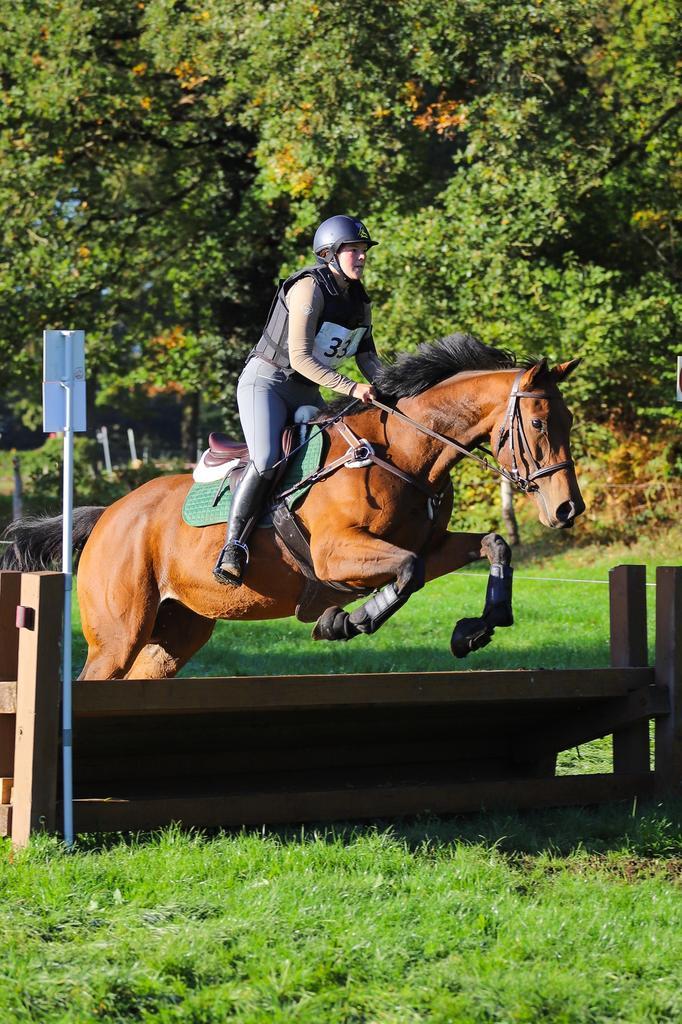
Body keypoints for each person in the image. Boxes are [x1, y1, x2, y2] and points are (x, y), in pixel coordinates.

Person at [213, 215, 383, 586]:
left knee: (335, 453)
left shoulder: (358, 298)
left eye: (363, 251)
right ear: (329, 254)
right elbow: (301, 358)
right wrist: (353, 388)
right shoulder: (309, 287)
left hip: (307, 390)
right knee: (267, 458)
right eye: (353, 250)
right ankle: (233, 547)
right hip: (268, 383)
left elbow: (367, 357)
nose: (361, 257)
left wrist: (394, 389)